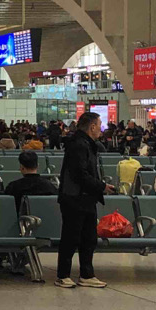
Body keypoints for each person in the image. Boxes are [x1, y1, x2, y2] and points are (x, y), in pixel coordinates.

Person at [56, 110, 112, 289]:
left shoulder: (87, 144)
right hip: (74, 198)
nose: (101, 129)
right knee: (71, 237)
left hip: (86, 198)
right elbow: (79, 174)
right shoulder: (78, 145)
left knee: (89, 238)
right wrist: (101, 186)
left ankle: (87, 275)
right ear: (92, 127)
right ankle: (63, 275)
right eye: (100, 125)